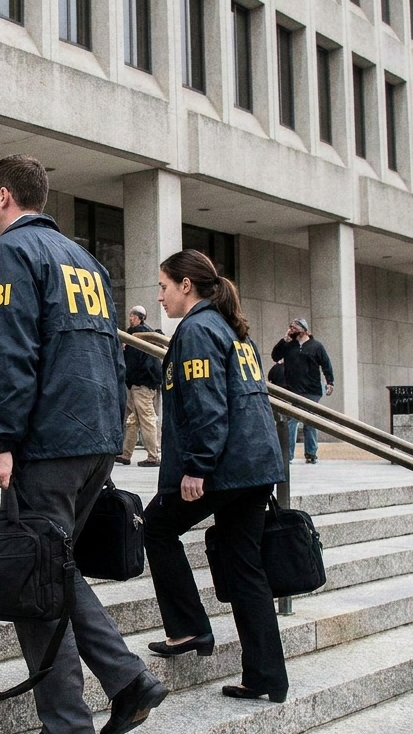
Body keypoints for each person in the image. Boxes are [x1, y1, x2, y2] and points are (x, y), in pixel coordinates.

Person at [0, 154, 166, 734]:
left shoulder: (10, 253)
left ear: (5, 196)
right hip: (94, 443)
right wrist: (112, 436)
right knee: (55, 568)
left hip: (48, 444)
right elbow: (112, 355)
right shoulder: (84, 260)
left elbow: (7, 352)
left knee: (33, 580)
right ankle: (127, 679)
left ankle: (68, 729)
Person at [142, 249, 289, 704]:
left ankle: (188, 628)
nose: (160, 297)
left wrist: (197, 467)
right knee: (245, 570)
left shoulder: (198, 330)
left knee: (155, 526)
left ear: (187, 285)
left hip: (225, 468)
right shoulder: (230, 328)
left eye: (164, 287)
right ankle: (266, 676)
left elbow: (208, 405)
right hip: (255, 467)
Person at [271, 318, 335, 464]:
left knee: (309, 421)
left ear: (304, 330)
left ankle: (311, 453)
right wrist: (284, 340)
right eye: (290, 328)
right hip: (292, 389)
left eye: (294, 328)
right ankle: (288, 455)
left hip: (311, 390)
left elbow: (326, 364)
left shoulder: (316, 346)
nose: (291, 330)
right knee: (291, 421)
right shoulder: (288, 345)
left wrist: (330, 382)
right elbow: (275, 356)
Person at [117, 306, 162, 468]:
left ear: (140, 318)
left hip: (141, 383)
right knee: (133, 419)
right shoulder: (141, 334)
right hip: (139, 383)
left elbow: (136, 362)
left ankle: (153, 456)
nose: (130, 318)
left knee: (145, 418)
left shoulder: (140, 335)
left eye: (133, 316)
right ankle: (126, 453)